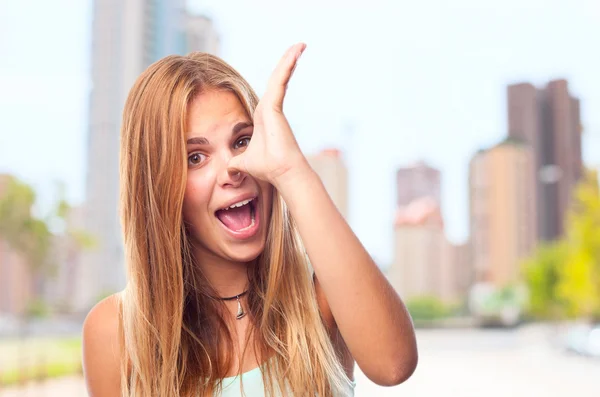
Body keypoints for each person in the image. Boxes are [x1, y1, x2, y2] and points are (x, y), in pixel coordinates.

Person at [82, 43, 418, 397]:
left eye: (242, 141)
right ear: (159, 186)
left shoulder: (321, 297)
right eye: (195, 157)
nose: (233, 168)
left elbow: (394, 365)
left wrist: (291, 169)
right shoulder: (115, 332)